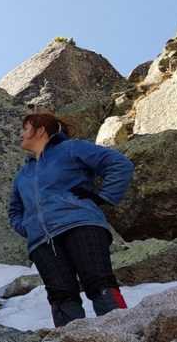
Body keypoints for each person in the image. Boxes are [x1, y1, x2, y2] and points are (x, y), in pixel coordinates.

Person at [8, 113, 134, 327]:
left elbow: (119, 164)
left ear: (40, 130)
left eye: (25, 128)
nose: (20, 134)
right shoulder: (23, 174)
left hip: (80, 225)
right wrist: (29, 227)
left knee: (98, 281)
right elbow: (14, 210)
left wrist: (102, 197)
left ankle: (121, 333)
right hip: (42, 242)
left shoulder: (71, 148)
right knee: (60, 295)